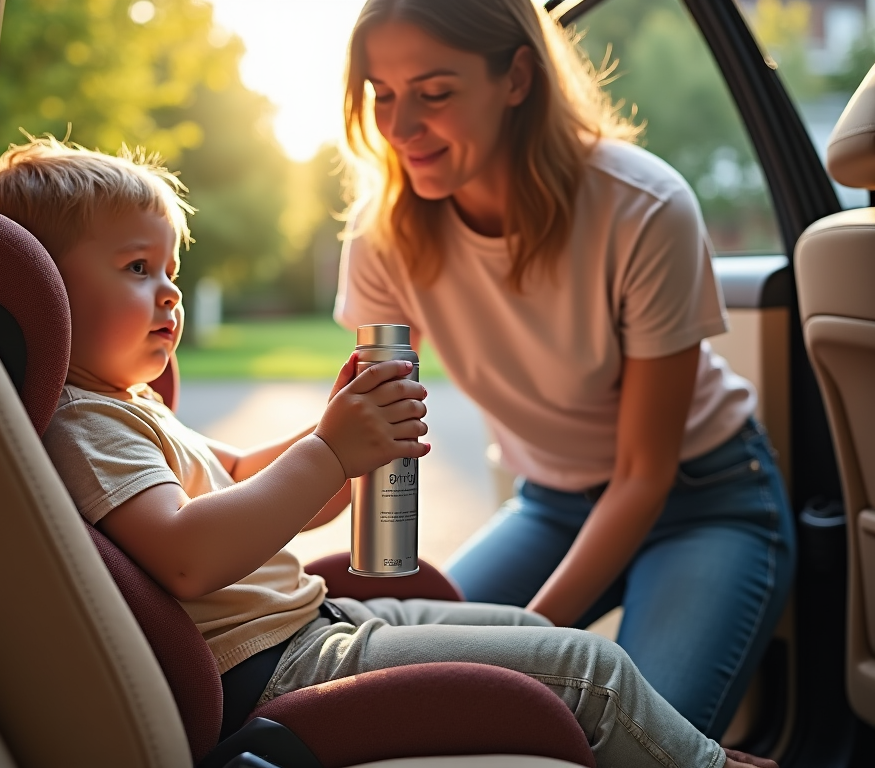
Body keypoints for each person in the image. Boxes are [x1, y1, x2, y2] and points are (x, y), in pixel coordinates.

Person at [0, 135, 774, 768]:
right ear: (47, 295)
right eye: (137, 268)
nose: (171, 292)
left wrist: (343, 432)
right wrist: (329, 447)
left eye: (172, 269)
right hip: (281, 666)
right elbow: (185, 558)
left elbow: (251, 479)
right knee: (592, 672)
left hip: (317, 624)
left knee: (522, 629)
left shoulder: (131, 408)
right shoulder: (85, 426)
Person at [333, 0, 796, 740]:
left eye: (435, 91)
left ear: (517, 77)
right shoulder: (383, 238)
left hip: (704, 499)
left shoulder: (643, 206)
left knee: (638, 741)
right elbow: (367, 445)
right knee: (412, 694)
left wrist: (525, 646)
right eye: (381, 94)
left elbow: (644, 475)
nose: (399, 125)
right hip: (550, 502)